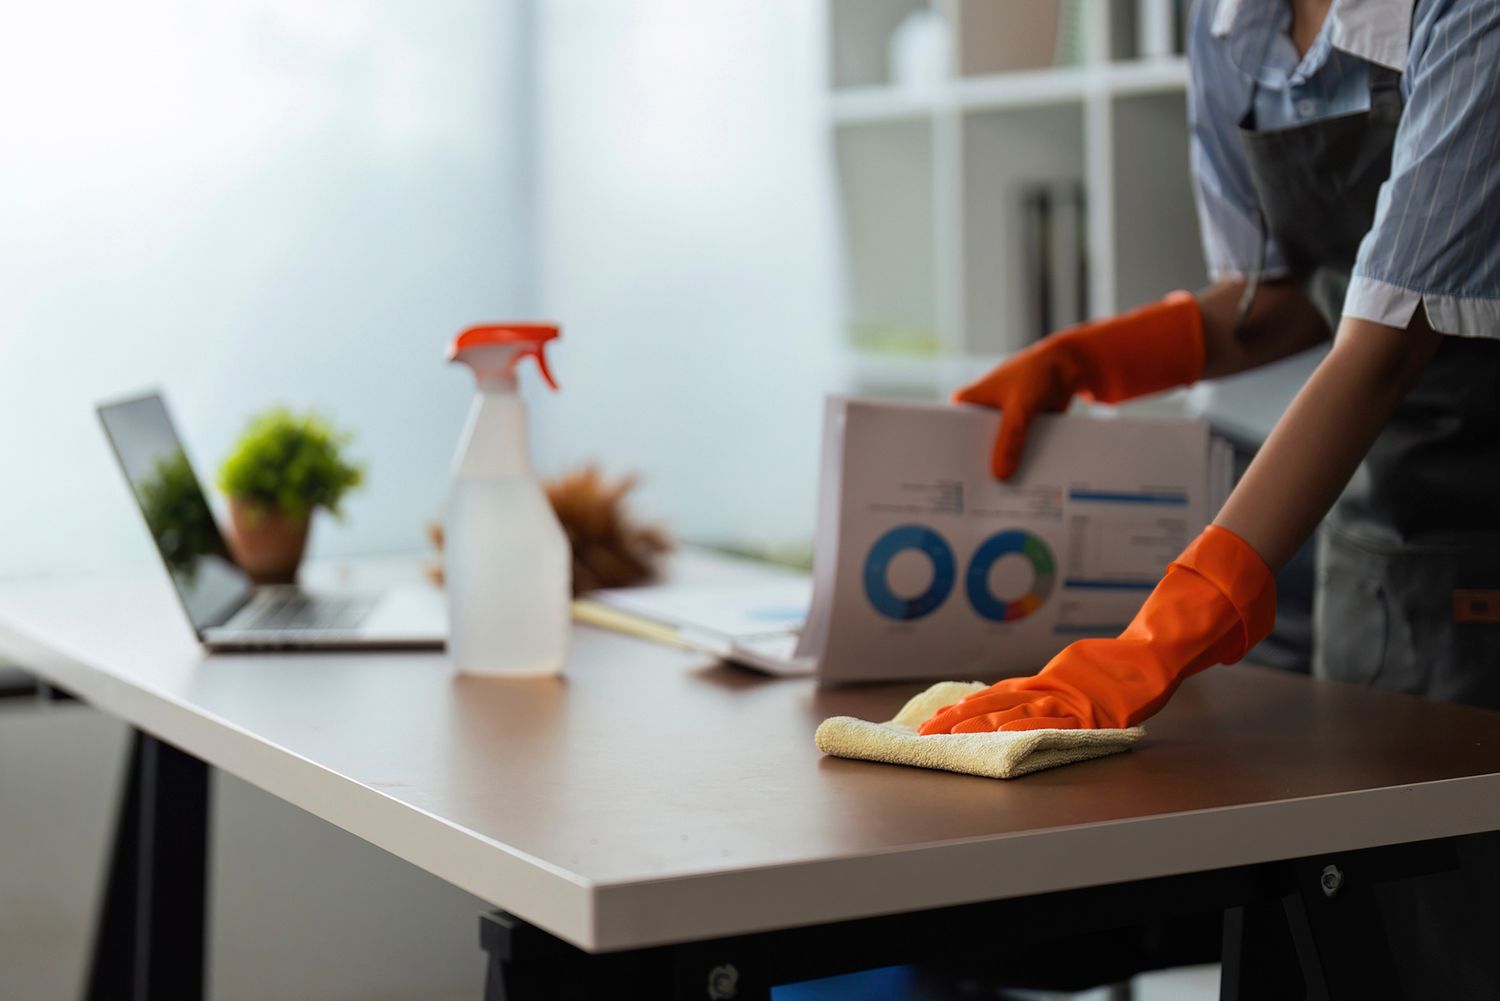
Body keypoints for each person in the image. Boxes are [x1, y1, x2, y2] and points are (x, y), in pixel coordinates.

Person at [916, 0, 1500, 991]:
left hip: (1486, 551)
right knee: (1341, 931)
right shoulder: (1233, 27)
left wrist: (1161, 637)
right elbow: (1281, 295)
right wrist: (1088, 361)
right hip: (1370, 551)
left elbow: (1386, 340)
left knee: (1459, 938)